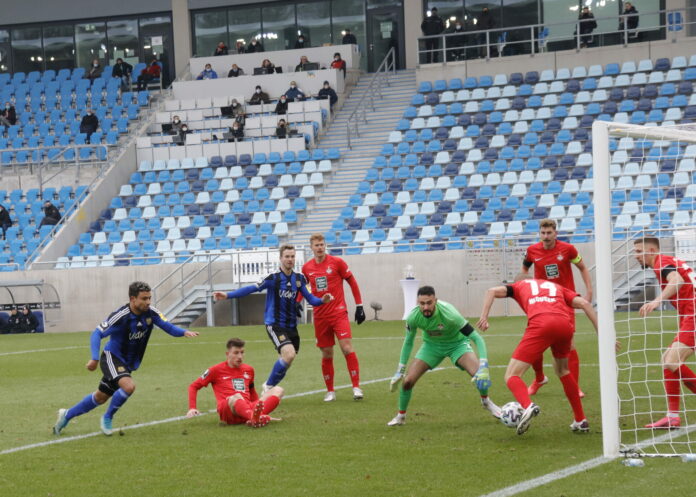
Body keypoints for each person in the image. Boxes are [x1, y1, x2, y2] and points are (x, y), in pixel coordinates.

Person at [53, 281, 199, 436]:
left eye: (149, 298)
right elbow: (96, 333)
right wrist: (94, 358)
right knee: (128, 386)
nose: (148, 302)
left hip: (127, 364)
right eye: (144, 299)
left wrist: (183, 332)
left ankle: (66, 415)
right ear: (132, 299)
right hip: (112, 357)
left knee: (100, 397)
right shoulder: (121, 316)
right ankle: (107, 418)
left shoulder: (151, 313)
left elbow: (168, 326)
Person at [477, 277, 598, 435]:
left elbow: (491, 291)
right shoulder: (556, 286)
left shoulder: (519, 286)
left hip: (541, 324)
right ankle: (580, 420)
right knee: (563, 370)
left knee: (512, 375)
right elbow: (585, 303)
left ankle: (528, 406)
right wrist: (601, 331)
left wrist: (484, 317)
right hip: (565, 325)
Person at [213, 245, 333, 391]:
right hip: (275, 324)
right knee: (288, 354)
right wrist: (228, 295)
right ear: (281, 258)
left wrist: (322, 300)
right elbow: (252, 288)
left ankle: (269, 386)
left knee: (288, 359)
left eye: (292, 256)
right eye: (287, 256)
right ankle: (268, 387)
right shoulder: (273, 278)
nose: (290, 259)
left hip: (291, 326)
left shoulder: (299, 279)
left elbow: (311, 299)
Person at [387, 285, 501, 426]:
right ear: (418, 303)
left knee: (480, 376)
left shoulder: (450, 313)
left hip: (457, 345)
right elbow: (408, 342)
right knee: (407, 381)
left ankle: (486, 401)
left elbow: (477, 338)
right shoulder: (413, 317)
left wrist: (484, 365)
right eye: (422, 303)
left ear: (435, 300)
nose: (426, 307)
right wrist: (400, 370)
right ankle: (400, 417)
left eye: (429, 303)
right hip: (431, 346)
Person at [520, 218, 592, 398]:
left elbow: (582, 267)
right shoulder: (532, 250)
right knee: (535, 341)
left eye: (549, 233)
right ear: (539, 233)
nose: (546, 236)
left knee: (570, 344)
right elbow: (525, 267)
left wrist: (589, 292)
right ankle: (539, 379)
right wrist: (526, 284)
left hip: (565, 300)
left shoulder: (568, 249)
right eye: (543, 233)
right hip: (541, 300)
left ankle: (574, 387)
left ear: (555, 233)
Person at [635, 238, 696, 429]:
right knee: (667, 360)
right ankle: (672, 416)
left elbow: (676, 280)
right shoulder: (667, 261)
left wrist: (657, 300)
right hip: (688, 313)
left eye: (638, 252)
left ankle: (673, 416)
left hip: (693, 312)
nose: (636, 256)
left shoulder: (661, 262)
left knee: (671, 361)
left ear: (651, 250)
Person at [300, 234, 366, 401]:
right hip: (320, 316)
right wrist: (296, 302)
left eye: (322, 244)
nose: (320, 247)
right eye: (316, 245)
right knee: (327, 353)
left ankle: (356, 387)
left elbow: (352, 281)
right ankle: (330, 391)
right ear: (311, 247)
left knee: (346, 347)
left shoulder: (337, 263)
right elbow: (302, 288)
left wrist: (359, 305)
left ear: (325, 245)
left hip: (338, 313)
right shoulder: (307, 268)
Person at [187, 338, 284, 428]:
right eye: (236, 353)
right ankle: (255, 417)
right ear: (227, 354)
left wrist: (257, 406)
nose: (240, 356)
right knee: (236, 396)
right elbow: (193, 386)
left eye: (242, 352)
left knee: (278, 390)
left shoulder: (249, 370)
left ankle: (255, 417)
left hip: (246, 408)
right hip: (228, 411)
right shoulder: (215, 370)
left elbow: (252, 392)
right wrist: (192, 408)